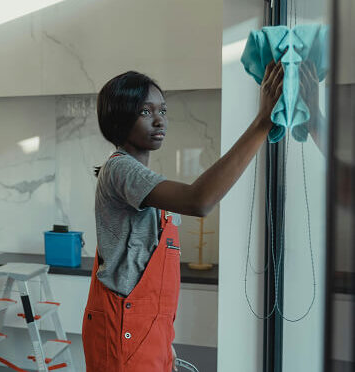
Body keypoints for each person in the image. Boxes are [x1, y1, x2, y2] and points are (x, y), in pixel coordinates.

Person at [82, 62, 284, 371]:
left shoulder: (145, 180)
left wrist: (162, 339)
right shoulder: (119, 168)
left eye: (162, 111)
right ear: (119, 118)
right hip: (122, 328)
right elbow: (199, 201)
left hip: (146, 329)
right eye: (145, 112)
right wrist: (262, 123)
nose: (158, 120)